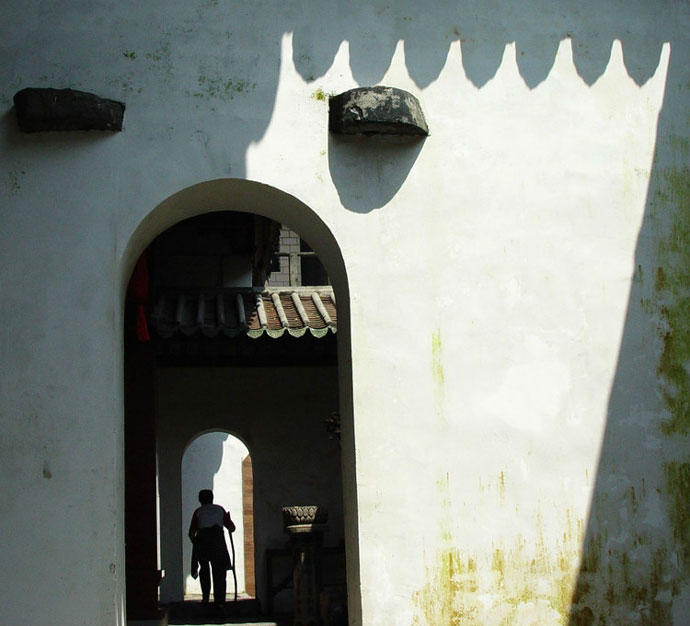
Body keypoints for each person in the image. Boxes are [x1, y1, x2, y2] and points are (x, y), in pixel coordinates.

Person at [188, 489, 236, 604]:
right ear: (212, 498)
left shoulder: (198, 512)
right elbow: (232, 528)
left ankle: (205, 598)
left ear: (200, 500)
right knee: (219, 571)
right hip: (217, 542)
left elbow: (191, 534)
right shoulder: (220, 509)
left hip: (202, 541)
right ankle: (220, 601)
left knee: (204, 569)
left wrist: (197, 544)